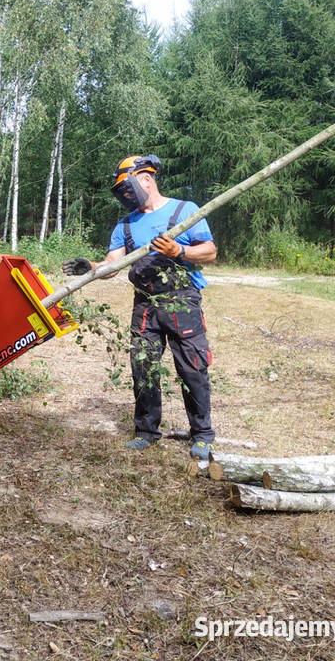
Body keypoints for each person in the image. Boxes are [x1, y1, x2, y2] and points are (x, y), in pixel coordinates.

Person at [62, 154, 218, 460]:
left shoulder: (184, 210)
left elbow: (210, 252)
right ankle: (147, 431)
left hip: (182, 300)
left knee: (193, 368)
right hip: (145, 304)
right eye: (122, 191)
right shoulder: (126, 224)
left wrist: (180, 250)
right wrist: (91, 267)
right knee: (143, 368)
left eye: (129, 187)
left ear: (146, 179)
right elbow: (113, 265)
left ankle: (202, 435)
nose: (127, 195)